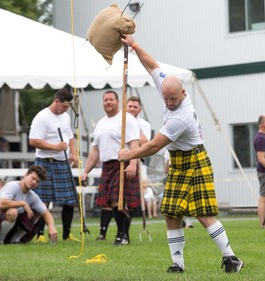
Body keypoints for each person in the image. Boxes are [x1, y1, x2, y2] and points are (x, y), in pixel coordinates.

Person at [118, 34, 243, 274]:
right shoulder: (167, 85)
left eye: (173, 99)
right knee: (171, 213)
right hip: (178, 162)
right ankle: (178, 264)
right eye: (165, 98)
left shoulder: (181, 117)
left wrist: (129, 155)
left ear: (183, 93)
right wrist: (134, 45)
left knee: (203, 214)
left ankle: (231, 258)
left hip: (195, 161)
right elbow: (152, 66)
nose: (169, 103)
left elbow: (154, 145)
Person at [82, 90, 140, 245]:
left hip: (123, 163)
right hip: (107, 165)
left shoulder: (127, 119)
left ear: (117, 101)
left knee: (117, 200)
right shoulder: (101, 123)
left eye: (111, 99)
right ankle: (122, 235)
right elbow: (95, 151)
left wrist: (133, 163)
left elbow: (135, 143)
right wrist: (85, 171)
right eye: (105, 100)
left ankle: (123, 235)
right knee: (110, 201)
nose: (107, 102)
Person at [29, 88, 79, 242]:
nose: (65, 110)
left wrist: (73, 153)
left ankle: (67, 234)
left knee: (70, 200)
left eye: (67, 107)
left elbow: (70, 136)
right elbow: (33, 141)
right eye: (64, 106)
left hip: (62, 162)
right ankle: (40, 235)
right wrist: (55, 147)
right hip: (45, 162)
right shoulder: (42, 117)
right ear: (56, 101)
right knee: (42, 200)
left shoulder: (65, 117)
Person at [0, 165, 58, 244]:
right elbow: (1, 204)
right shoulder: (13, 186)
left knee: (37, 212)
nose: (34, 182)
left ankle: (14, 241)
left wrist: (51, 227)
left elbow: (46, 213)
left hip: (7, 226)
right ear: (26, 175)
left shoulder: (32, 196)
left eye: (37, 181)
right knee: (12, 212)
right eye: (33, 178)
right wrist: (22, 203)